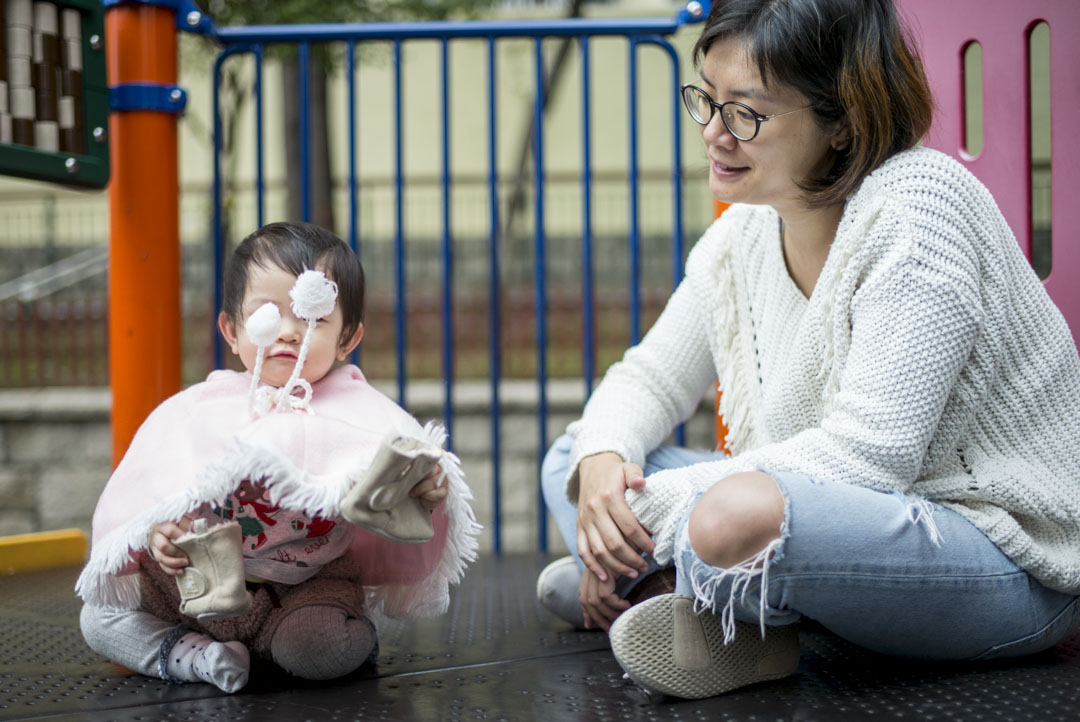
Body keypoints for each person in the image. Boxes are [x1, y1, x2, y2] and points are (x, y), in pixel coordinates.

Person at [539, 0, 1080, 700]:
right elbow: (648, 379)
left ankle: (664, 583)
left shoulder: (918, 211)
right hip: (835, 525)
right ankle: (713, 602)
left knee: (726, 515)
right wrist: (606, 465)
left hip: (1003, 556)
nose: (713, 132)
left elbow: (869, 458)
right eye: (705, 98)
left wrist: (641, 518)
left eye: (746, 113)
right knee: (578, 460)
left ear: (843, 120)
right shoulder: (744, 235)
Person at [77, 222, 480, 693]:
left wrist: (421, 490)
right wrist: (163, 537)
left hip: (308, 586)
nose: (289, 332)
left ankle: (336, 640)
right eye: (267, 313)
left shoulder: (359, 413)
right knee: (99, 617)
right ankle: (196, 656)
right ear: (231, 329)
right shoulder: (199, 410)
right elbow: (163, 491)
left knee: (316, 650)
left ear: (347, 338)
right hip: (199, 587)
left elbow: (392, 482)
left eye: (313, 318)